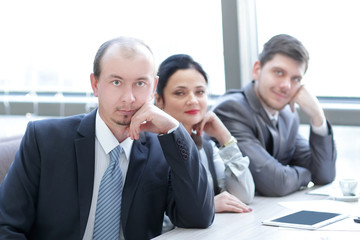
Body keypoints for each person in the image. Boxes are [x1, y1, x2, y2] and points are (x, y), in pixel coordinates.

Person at [0, 37, 214, 239]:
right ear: (95, 84)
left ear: (153, 86)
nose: (129, 98)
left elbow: (197, 218)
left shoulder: (164, 148)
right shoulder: (45, 140)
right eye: (116, 82)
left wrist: (173, 129)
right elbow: (6, 225)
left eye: (140, 83)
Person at [212, 34, 337, 197]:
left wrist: (317, 116)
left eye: (295, 79)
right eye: (279, 72)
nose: (286, 85)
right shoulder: (231, 109)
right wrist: (308, 174)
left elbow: (324, 174)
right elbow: (277, 183)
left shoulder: (288, 116)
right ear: (257, 70)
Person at [156, 54, 254, 215]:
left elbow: (244, 196)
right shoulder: (152, 150)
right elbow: (158, 220)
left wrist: (224, 137)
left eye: (200, 92)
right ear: (159, 100)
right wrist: (207, 205)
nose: (193, 100)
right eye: (180, 93)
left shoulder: (206, 147)